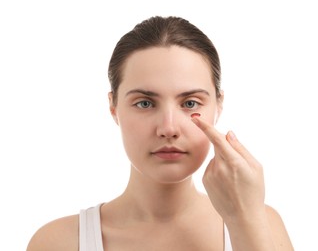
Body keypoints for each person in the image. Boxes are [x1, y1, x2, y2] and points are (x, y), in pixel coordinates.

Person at [27, 16, 294, 251]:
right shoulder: (58, 242)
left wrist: (243, 221)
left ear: (218, 105)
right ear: (113, 107)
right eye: (145, 103)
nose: (168, 128)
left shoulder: (262, 223)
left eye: (190, 103)